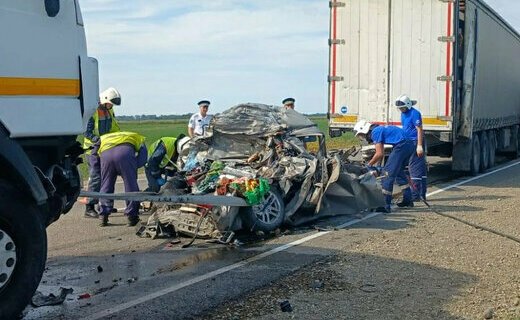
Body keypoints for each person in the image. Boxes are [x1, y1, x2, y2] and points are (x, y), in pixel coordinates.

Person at [353, 120, 416, 212]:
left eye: (362, 135)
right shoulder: (378, 129)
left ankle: (385, 205)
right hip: (409, 145)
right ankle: (408, 200)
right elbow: (380, 152)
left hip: (402, 145)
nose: (363, 138)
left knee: (387, 174)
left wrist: (369, 164)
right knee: (398, 172)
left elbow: (379, 154)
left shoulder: (375, 132)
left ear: (365, 130)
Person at [83, 87, 122, 218]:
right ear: (104, 99)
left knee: (108, 176)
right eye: (110, 103)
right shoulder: (93, 111)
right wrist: (97, 140)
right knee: (96, 177)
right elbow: (86, 132)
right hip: (92, 149)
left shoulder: (109, 111)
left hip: (105, 148)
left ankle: (105, 205)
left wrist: (119, 138)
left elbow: (114, 128)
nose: (111, 106)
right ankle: (89, 207)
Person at [97, 131, 147, 227]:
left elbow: (94, 153)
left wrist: (98, 168)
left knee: (106, 186)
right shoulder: (137, 136)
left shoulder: (104, 137)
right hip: (125, 154)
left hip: (106, 155)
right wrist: (134, 166)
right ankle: (132, 217)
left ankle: (103, 216)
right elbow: (143, 156)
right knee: (130, 186)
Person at [396, 94, 427, 201]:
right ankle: (421, 194)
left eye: (402, 108)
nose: (401, 110)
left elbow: (419, 129)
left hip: (415, 142)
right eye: (399, 108)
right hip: (408, 142)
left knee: (415, 169)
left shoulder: (414, 114)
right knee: (420, 170)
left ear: (408, 105)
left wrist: (419, 145)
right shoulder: (403, 114)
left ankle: (415, 195)